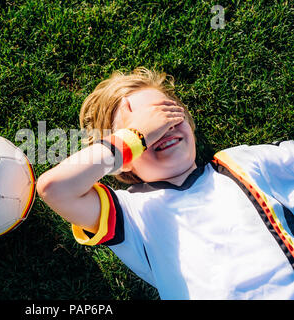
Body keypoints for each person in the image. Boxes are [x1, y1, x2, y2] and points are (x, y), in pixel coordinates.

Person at [36, 67, 294, 299]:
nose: (163, 130)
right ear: (123, 162)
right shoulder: (129, 213)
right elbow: (55, 189)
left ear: (189, 123)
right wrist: (135, 137)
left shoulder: (241, 164)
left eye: (167, 115)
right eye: (147, 129)